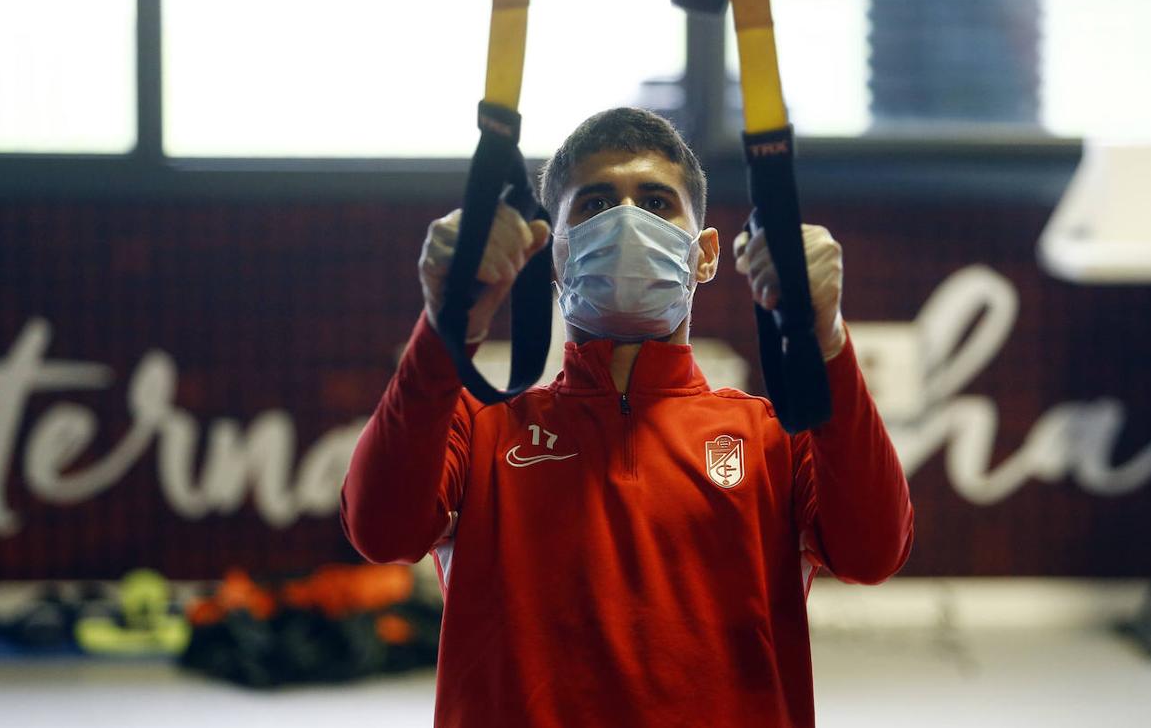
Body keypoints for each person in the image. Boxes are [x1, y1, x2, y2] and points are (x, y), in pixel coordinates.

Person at [340, 107, 914, 727]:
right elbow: (380, 531)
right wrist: (447, 326)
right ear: (549, 250)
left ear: (705, 254)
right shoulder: (479, 428)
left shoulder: (776, 436)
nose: (627, 223)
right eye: (593, 205)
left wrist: (824, 335)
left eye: (657, 202)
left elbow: (874, 552)